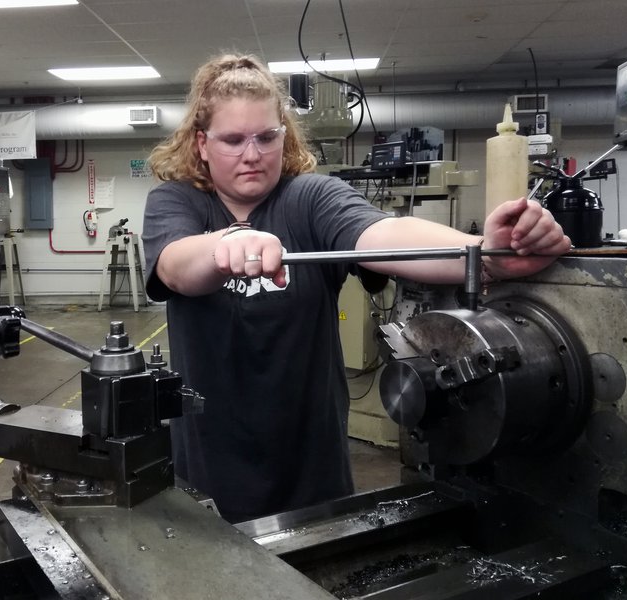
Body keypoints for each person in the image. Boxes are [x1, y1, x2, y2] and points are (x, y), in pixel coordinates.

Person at [142, 53, 571, 524]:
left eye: (267, 137)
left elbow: (381, 235)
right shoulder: (176, 202)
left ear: (284, 135)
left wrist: (486, 252)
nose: (252, 154)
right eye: (233, 140)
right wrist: (229, 242)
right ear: (202, 143)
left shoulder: (308, 198)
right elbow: (176, 265)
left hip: (310, 464)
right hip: (209, 460)